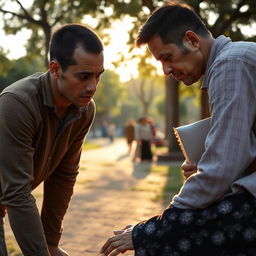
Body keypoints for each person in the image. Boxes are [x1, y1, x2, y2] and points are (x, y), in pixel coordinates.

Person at [100, 2, 256, 255]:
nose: (165, 71)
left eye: (167, 57)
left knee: (170, 238)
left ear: (192, 40)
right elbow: (229, 162)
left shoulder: (230, 66)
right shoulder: (230, 62)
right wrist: (206, 165)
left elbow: (222, 170)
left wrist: (156, 228)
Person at [0, 24, 104, 256]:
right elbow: (17, 193)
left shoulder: (84, 109)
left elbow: (64, 175)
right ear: (55, 69)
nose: (93, 86)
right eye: (84, 76)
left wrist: (50, 242)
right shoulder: (17, 104)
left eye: (98, 76)